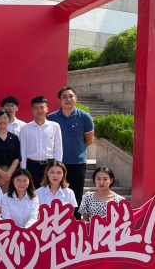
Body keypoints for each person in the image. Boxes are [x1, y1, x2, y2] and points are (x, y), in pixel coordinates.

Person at [47, 86, 94, 220]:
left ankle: (75, 221)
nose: (68, 99)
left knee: (76, 194)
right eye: (64, 97)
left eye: (70, 96)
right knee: (55, 193)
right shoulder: (51, 118)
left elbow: (89, 140)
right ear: (59, 100)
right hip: (57, 163)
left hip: (77, 162)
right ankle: (55, 220)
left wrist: (77, 151)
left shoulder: (84, 117)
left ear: (76, 98)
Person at [20, 96, 63, 189]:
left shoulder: (55, 126)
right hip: (32, 166)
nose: (39, 111)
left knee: (50, 191)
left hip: (49, 165)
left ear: (47, 109)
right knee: (32, 192)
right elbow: (23, 149)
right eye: (36, 108)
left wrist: (58, 167)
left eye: (42, 107)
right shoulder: (25, 128)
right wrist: (23, 168)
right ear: (32, 110)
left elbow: (58, 148)